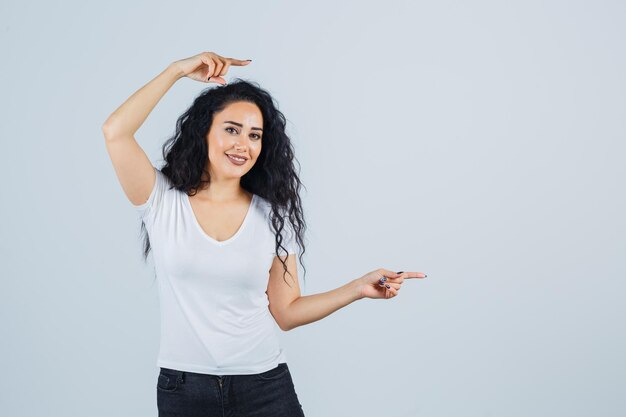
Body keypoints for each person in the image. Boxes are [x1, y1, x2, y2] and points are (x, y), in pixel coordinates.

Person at [102, 51, 427, 416]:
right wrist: (177, 71)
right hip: (184, 390)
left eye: (254, 135)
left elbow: (286, 312)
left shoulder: (273, 215)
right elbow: (115, 131)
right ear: (203, 132)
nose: (244, 144)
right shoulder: (162, 201)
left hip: (264, 387)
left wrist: (357, 288)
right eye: (231, 129)